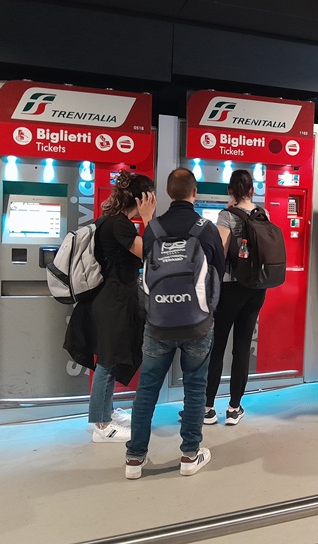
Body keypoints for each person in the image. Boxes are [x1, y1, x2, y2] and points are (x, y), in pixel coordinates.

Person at [124, 168, 225, 479]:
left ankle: (135, 458)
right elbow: (219, 271)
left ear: (169, 193)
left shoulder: (152, 228)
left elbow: (147, 268)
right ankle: (189, 455)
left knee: (147, 391)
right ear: (194, 193)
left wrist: (145, 220)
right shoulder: (206, 229)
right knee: (195, 388)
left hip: (158, 324)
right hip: (197, 323)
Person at [66, 170, 156, 443]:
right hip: (113, 300)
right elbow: (149, 251)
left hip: (112, 299)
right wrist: (149, 218)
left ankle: (105, 412)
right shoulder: (119, 225)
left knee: (111, 357)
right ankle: (102, 426)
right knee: (107, 361)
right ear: (142, 198)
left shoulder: (112, 221)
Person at [204, 169, 267, 426]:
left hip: (230, 287)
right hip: (255, 288)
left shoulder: (226, 215)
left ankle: (208, 408)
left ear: (231, 191)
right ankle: (234, 407)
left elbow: (219, 251)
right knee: (242, 345)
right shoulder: (263, 213)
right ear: (252, 191)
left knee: (218, 345)